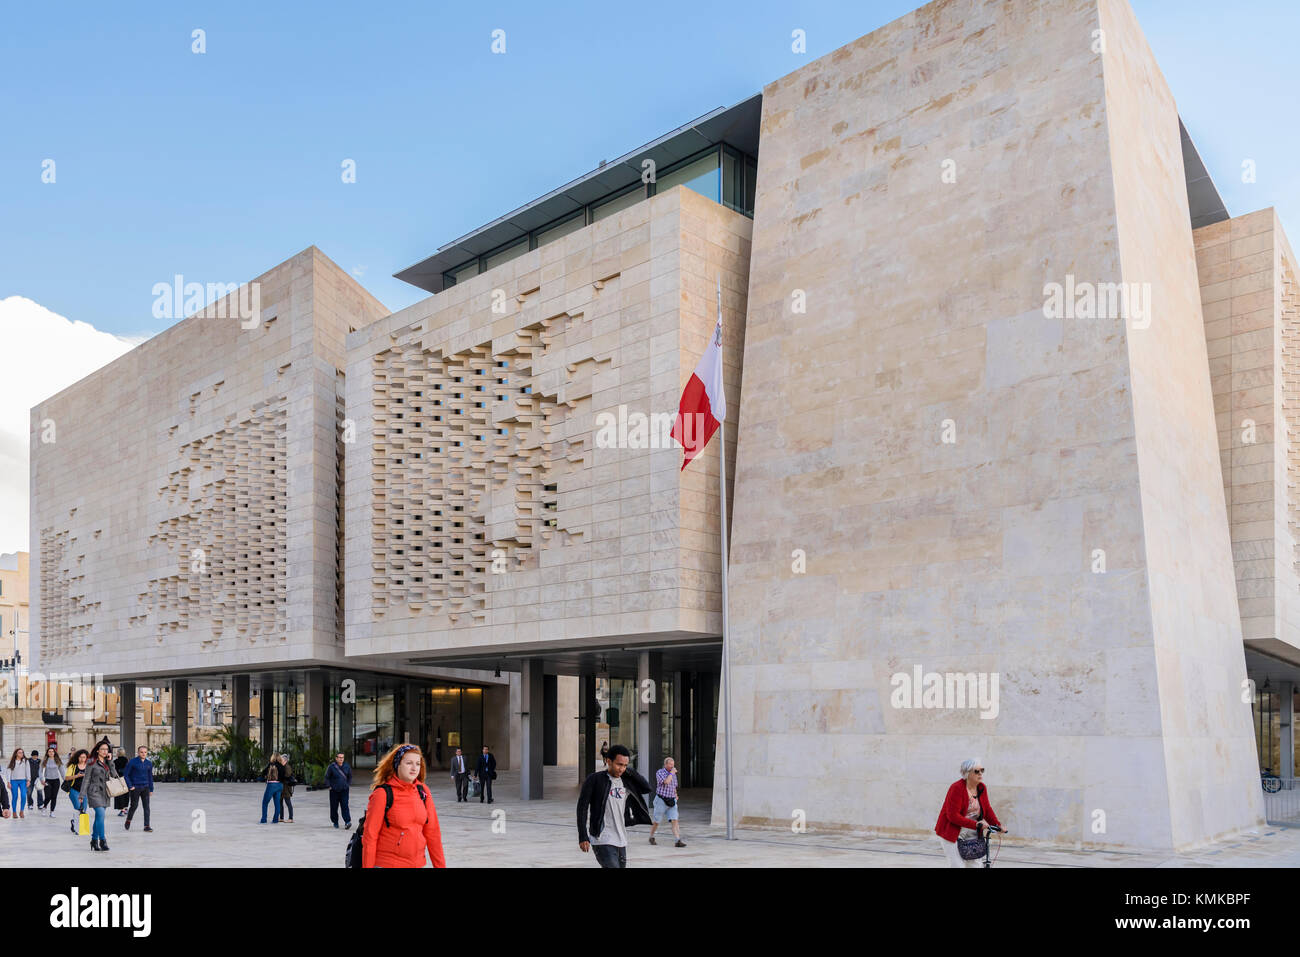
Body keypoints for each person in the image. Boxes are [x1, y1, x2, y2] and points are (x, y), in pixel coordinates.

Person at [360, 743, 445, 868]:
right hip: (387, 864)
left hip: (417, 863)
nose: (414, 768)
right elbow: (370, 837)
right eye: (409, 763)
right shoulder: (382, 794)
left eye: (417, 763)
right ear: (398, 764)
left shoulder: (423, 791)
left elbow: (433, 834)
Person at [576, 743, 653, 868]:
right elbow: (582, 808)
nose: (621, 769)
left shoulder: (626, 781)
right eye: (619, 764)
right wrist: (583, 836)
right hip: (602, 838)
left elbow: (647, 788)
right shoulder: (595, 780)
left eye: (625, 765)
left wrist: (629, 771)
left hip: (621, 839)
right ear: (608, 761)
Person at [935, 758, 1007, 868]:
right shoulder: (957, 788)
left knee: (975, 865)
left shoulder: (981, 787)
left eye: (982, 770)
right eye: (976, 771)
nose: (980, 773)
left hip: (972, 832)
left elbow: (987, 809)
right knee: (957, 865)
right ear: (967, 773)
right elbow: (952, 816)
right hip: (952, 832)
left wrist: (997, 825)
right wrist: (976, 824)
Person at [80, 738, 124, 852]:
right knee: (100, 814)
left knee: (99, 817)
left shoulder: (108, 762)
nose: (105, 751)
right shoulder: (91, 762)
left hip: (106, 792)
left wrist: (110, 762)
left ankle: (94, 840)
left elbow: (114, 776)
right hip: (94, 791)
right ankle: (102, 840)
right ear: (98, 751)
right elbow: (86, 779)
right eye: (102, 749)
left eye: (107, 749)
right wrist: (82, 795)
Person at [647, 756, 686, 847]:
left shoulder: (673, 774)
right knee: (657, 821)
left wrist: (675, 795)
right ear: (665, 764)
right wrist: (672, 773)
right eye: (670, 765)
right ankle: (651, 836)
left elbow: (674, 786)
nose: (672, 766)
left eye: (673, 765)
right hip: (661, 800)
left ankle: (677, 840)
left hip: (672, 800)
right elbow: (666, 782)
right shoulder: (660, 772)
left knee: (675, 820)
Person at [123, 745, 154, 832]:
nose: (143, 754)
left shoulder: (149, 763)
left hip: (145, 787)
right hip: (135, 788)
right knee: (134, 806)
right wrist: (130, 786)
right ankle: (128, 820)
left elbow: (150, 777)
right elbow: (126, 775)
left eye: (145, 752)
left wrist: (151, 789)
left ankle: (147, 826)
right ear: (138, 752)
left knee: (146, 807)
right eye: (141, 752)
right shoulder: (132, 762)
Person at [325, 752, 352, 828]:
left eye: (342, 757)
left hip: (344, 790)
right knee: (334, 807)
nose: (341, 759)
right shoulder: (331, 767)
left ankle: (347, 821)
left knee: (345, 806)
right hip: (334, 791)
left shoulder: (347, 766)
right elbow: (327, 777)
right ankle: (335, 822)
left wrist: (348, 784)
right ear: (336, 758)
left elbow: (350, 777)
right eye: (339, 757)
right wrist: (329, 786)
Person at [65, 750, 88, 834]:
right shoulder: (73, 766)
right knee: (78, 807)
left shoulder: (88, 766)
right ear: (77, 757)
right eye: (81, 757)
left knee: (84, 810)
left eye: (84, 757)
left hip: (84, 791)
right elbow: (67, 778)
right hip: (73, 790)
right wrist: (77, 776)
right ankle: (77, 827)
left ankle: (76, 823)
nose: (82, 759)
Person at [259, 752, 284, 824]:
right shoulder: (282, 766)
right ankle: (275, 820)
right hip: (280, 785)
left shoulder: (271, 765)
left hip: (271, 785)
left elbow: (263, 772)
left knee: (265, 803)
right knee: (277, 804)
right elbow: (284, 776)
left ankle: (264, 819)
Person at [41, 746, 63, 816]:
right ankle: (44, 807)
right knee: (48, 796)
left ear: (54, 752)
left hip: (56, 781)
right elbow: (40, 771)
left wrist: (65, 780)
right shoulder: (44, 760)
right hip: (47, 781)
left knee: (54, 797)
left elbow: (62, 771)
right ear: (47, 753)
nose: (51, 753)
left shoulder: (58, 760)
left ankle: (52, 811)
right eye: (49, 751)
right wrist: (42, 780)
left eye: (52, 751)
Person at [6, 749, 28, 817]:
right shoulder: (12, 761)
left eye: (22, 752)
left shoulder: (25, 761)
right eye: (19, 752)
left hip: (23, 781)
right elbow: (8, 772)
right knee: (15, 797)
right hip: (13, 781)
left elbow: (28, 771)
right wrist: (8, 782)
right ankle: (14, 812)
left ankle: (22, 811)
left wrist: (29, 780)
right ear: (16, 754)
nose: (21, 754)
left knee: (23, 796)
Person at [112, 748, 130, 815]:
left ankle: (122, 810)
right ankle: (125, 808)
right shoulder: (127, 760)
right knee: (126, 794)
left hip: (118, 779)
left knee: (120, 794)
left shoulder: (115, 761)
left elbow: (113, 771)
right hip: (126, 779)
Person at [279, 754, 296, 823]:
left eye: (281, 759)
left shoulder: (287, 767)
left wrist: (280, 776)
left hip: (286, 788)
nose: (280, 760)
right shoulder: (282, 766)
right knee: (280, 803)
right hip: (282, 787)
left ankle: (291, 818)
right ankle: (281, 817)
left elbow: (287, 775)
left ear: (285, 760)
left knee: (288, 802)